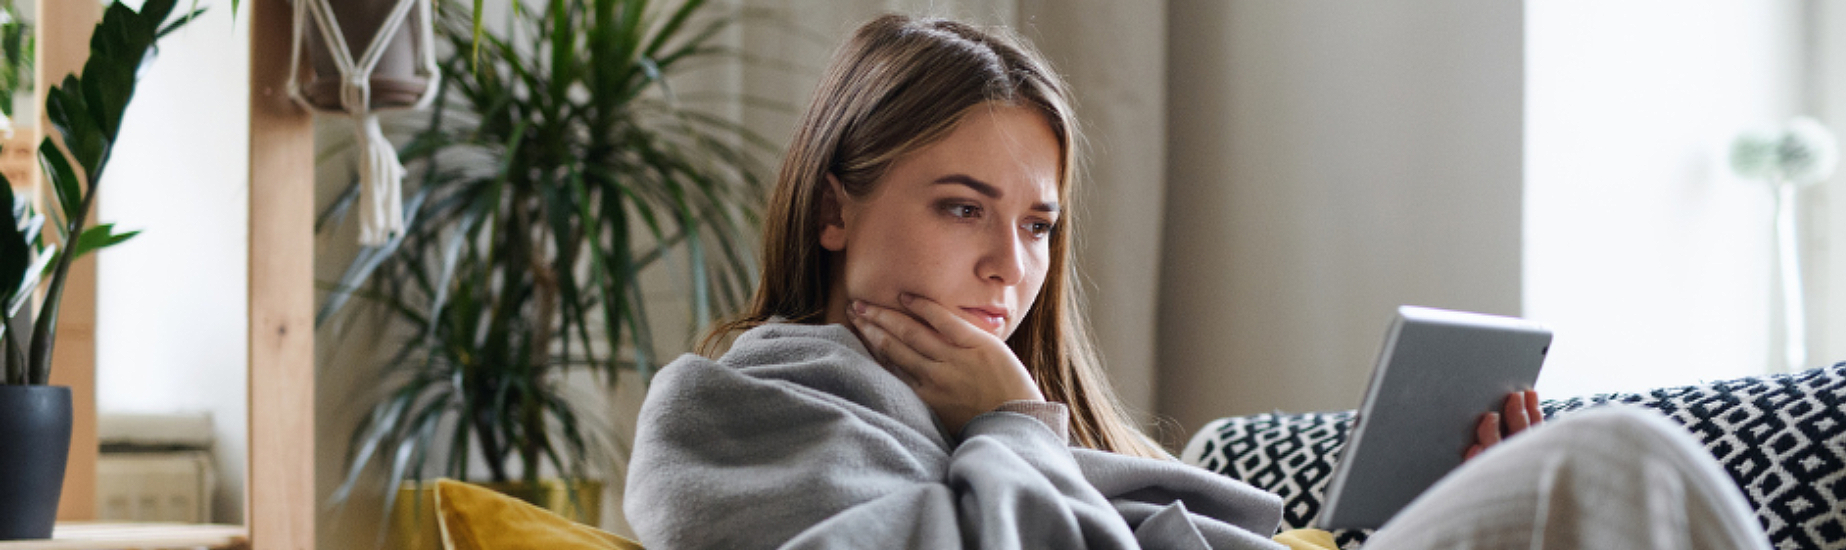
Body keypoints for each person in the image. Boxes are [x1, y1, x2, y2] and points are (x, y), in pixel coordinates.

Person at [624, 13, 1771, 550]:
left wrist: (1424, 510)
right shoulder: (732, 408)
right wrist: (1015, 424)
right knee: (1623, 457)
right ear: (835, 207)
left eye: (1037, 225)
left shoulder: (1029, 426)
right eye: (962, 206)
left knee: (1600, 478)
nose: (1008, 266)